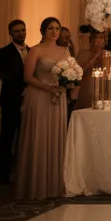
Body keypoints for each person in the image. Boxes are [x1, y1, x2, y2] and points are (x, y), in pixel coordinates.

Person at [15, 17, 69, 200]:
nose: (54, 32)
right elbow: (28, 77)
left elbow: (70, 74)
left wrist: (65, 85)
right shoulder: (35, 50)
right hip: (39, 96)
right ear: (43, 31)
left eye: (57, 28)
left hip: (58, 96)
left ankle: (54, 185)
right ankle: (36, 185)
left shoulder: (65, 51)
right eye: (50, 28)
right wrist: (48, 88)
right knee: (39, 135)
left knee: (55, 136)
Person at [0, 20, 28, 186]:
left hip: (30, 101)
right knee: (8, 136)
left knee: (25, 136)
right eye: (17, 31)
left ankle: (22, 170)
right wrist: (23, 91)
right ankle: (4, 173)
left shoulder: (32, 50)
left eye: (23, 30)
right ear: (11, 34)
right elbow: (6, 76)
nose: (21, 33)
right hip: (11, 100)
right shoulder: (3, 52)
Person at [74, 29, 108, 112]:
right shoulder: (83, 53)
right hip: (87, 88)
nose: (100, 40)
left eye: (102, 37)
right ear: (92, 40)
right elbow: (78, 73)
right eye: (97, 37)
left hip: (103, 87)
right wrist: (94, 57)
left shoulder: (107, 54)